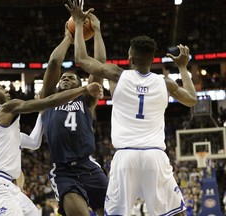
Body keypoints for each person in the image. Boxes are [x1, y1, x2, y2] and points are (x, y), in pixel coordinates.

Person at [66, 1, 197, 215]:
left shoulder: (118, 76)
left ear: (130, 57)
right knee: (175, 212)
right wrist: (182, 67)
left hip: (126, 157)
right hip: (155, 155)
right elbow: (192, 99)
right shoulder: (165, 83)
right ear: (151, 59)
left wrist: (80, 24)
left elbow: (81, 58)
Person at [0, 75, 103, 216]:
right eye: (1, 88)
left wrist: (41, 114)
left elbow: (34, 142)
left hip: (7, 185)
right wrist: (84, 89)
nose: (6, 89)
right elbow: (49, 102)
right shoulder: (5, 108)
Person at [39, 13, 108, 216]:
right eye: (64, 78)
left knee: (114, 211)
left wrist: (97, 31)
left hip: (90, 167)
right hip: (64, 171)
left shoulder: (86, 100)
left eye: (71, 77)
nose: (66, 78)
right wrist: (69, 36)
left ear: (81, 85)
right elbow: (53, 63)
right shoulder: (49, 98)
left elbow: (100, 63)